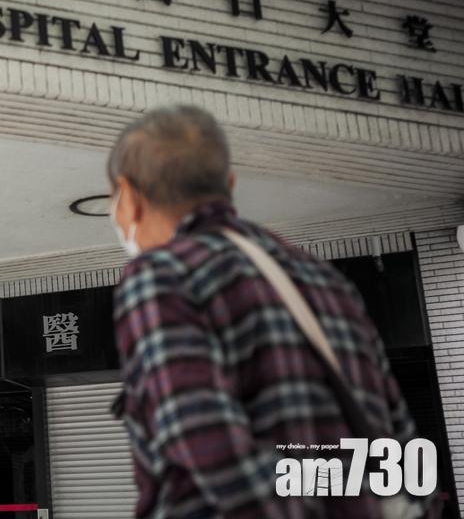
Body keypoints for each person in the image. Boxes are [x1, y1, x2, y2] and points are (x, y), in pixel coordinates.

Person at [107, 105, 421, 518]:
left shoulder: (161, 274)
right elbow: (398, 438)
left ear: (128, 197)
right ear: (229, 185)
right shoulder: (325, 279)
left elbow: (205, 439)